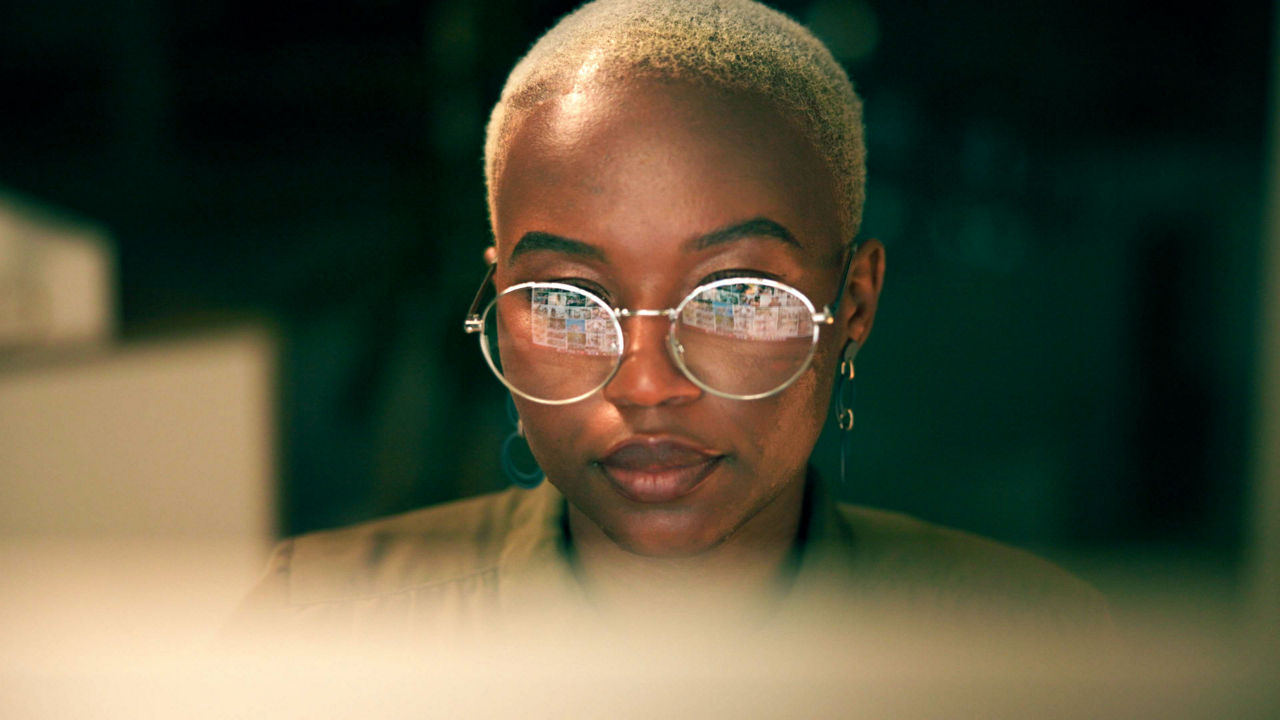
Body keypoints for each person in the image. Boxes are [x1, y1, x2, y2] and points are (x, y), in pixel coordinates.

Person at [224, 0, 1109, 655]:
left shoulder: (1034, 653)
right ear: (500, 298)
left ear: (855, 306)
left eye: (735, 294)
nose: (645, 384)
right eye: (572, 299)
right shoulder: (319, 634)